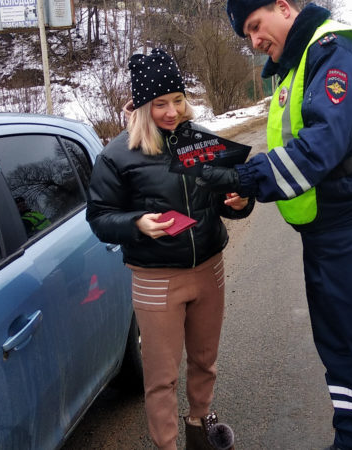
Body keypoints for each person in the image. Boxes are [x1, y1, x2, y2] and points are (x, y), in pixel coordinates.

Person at [199, 1, 352, 448]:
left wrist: (248, 177)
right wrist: (246, 183)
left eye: (255, 25)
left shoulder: (336, 49)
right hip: (328, 228)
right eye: (246, 35)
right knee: (339, 346)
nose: (254, 41)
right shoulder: (300, 61)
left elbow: (323, 144)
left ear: (283, 8)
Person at [86, 49, 249, 450]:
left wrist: (242, 202)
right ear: (142, 106)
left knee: (205, 360)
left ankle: (200, 426)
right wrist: (136, 223)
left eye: (177, 99)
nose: (172, 111)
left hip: (209, 268)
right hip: (156, 279)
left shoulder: (200, 141)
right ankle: (167, 444)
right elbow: (99, 218)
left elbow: (232, 194)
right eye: (160, 103)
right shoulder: (116, 155)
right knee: (161, 377)